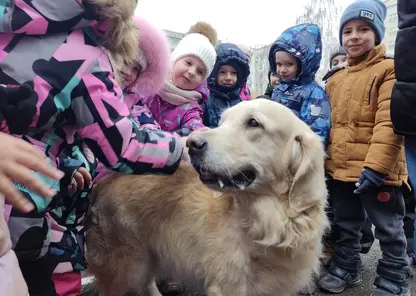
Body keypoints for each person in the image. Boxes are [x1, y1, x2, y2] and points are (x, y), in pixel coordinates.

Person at [0, 1, 185, 295]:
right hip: (26, 210)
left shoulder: (10, 16)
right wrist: (185, 148)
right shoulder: (86, 54)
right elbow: (124, 146)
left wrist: (65, 164)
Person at [318, 1, 411, 295]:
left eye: (363, 29)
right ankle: (347, 265)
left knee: (388, 228)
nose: (354, 37)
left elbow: (389, 123)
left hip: (378, 172)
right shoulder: (335, 79)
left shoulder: (390, 70)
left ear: (378, 33)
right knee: (346, 224)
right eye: (347, 31)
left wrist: (376, 166)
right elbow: (327, 127)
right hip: (341, 171)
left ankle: (395, 277)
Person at [268, 23, 331, 146]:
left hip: (297, 153)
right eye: (279, 64)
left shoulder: (314, 92)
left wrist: (306, 155)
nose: (282, 70)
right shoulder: (279, 89)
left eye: (289, 64)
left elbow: (318, 129)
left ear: (304, 64)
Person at [391, 0, 416, 267]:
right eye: (347, 31)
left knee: (397, 216)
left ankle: (397, 270)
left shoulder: (385, 70)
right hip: (409, 122)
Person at [202, 43, 250, 128]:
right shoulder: (205, 101)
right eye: (222, 72)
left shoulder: (241, 103)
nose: (228, 77)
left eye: (233, 73)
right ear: (213, 74)